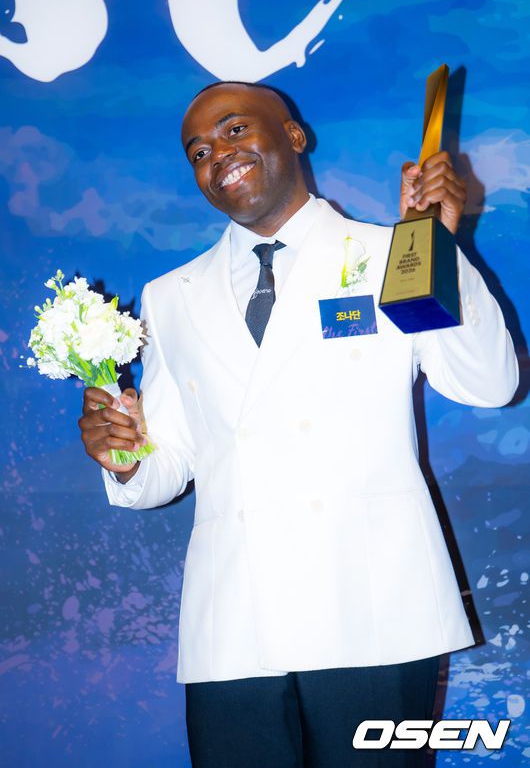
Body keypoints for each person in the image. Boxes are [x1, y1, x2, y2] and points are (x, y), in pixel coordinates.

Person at [78, 82, 518, 767]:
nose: (217, 154)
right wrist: (126, 456)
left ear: (293, 135)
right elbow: (172, 463)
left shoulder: (391, 254)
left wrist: (437, 243)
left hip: (372, 609)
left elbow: (488, 384)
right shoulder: (169, 298)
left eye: (233, 130)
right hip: (233, 625)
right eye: (198, 151)